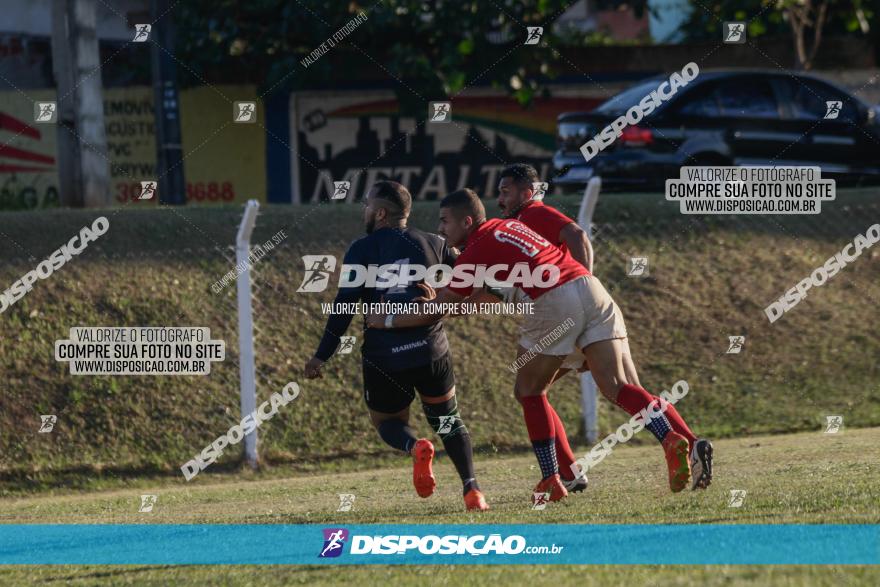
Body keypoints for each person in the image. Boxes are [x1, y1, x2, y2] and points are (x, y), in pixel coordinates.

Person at [367, 189, 712, 505]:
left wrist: (389, 320)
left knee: (528, 390)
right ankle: (668, 439)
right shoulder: (506, 228)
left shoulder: (477, 248)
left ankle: (552, 477)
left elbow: (444, 306)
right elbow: (483, 297)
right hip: (589, 288)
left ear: (466, 221)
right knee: (617, 386)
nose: (440, 229)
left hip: (554, 302)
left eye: (444, 221)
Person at [498, 164, 713, 492]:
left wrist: (582, 277)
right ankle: (691, 443)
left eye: (506, 191)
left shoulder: (530, 215)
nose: (500, 199)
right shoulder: (522, 222)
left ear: (527, 193)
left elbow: (577, 234)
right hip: (593, 305)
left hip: (566, 311)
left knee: (530, 391)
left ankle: (567, 473)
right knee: (627, 387)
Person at [304, 181, 488, 511]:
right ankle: (472, 489)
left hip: (384, 357)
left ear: (381, 213)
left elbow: (344, 306)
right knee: (447, 419)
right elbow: (472, 278)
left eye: (367, 205)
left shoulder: (361, 249)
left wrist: (322, 355)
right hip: (431, 351)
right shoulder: (436, 242)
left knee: (387, 422)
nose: (365, 211)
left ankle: (414, 445)